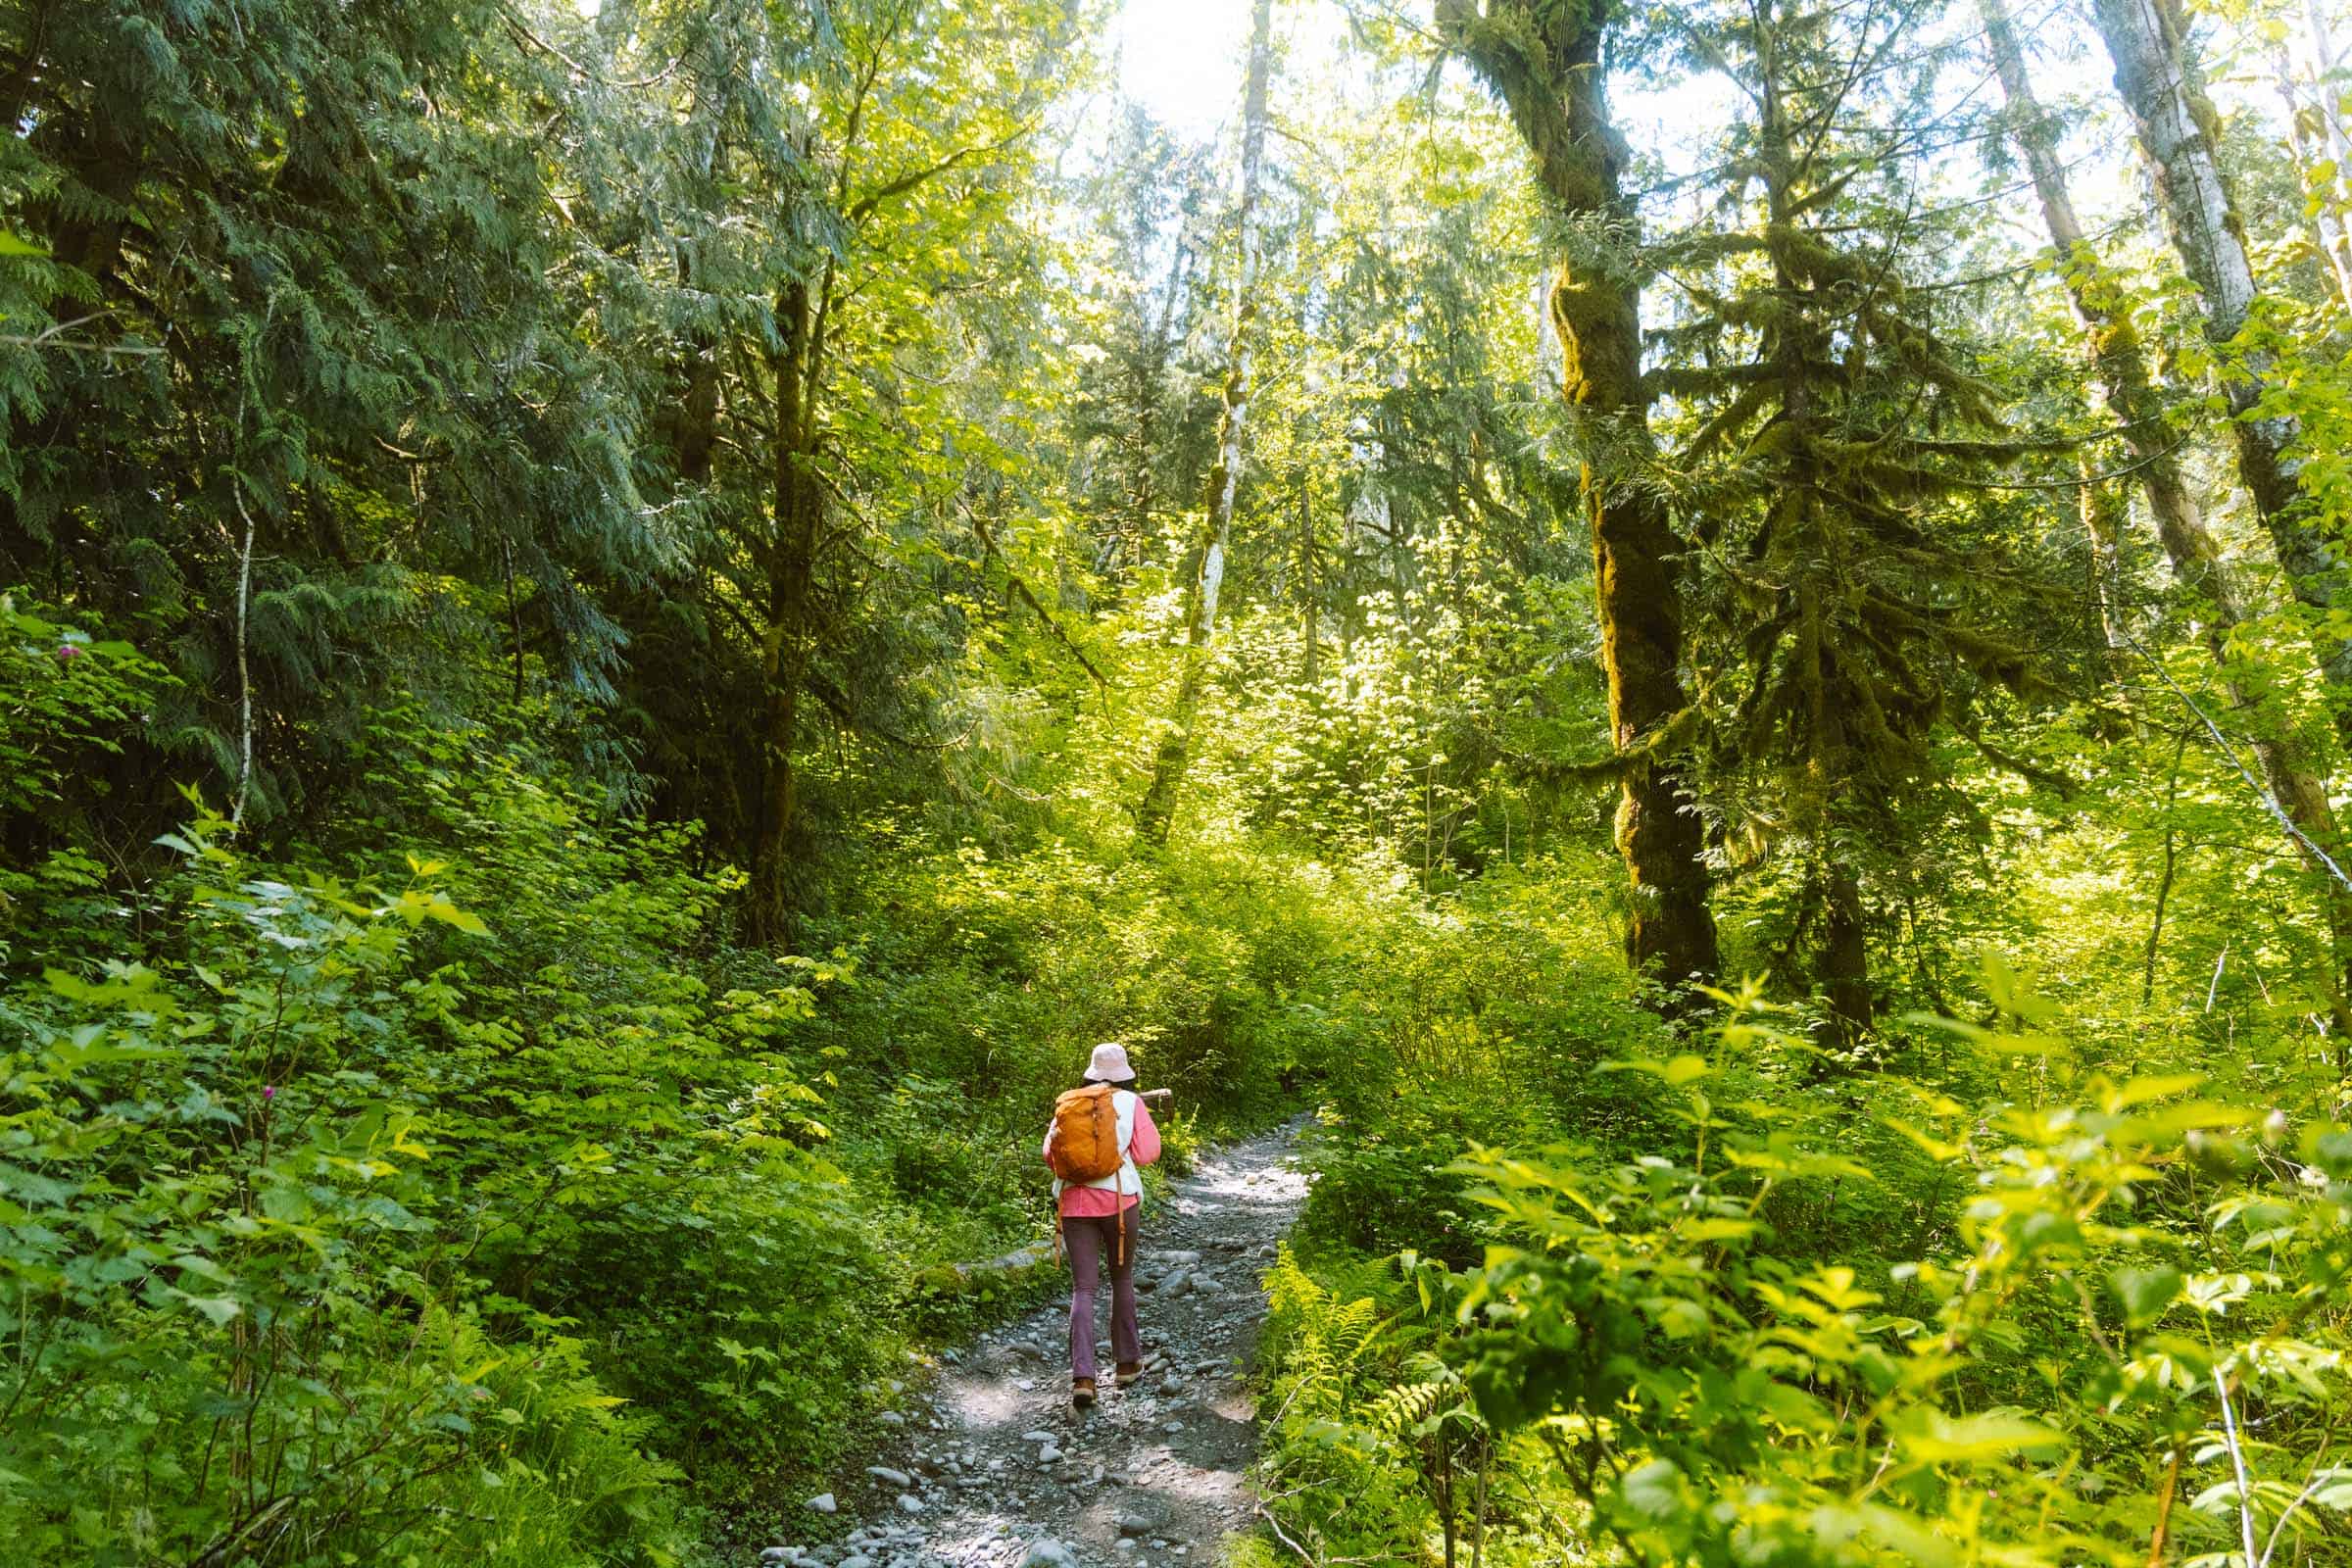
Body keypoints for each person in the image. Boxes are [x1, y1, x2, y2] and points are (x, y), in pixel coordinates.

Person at [1041, 1042, 1161, 1406]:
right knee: (1122, 1278)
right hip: (1120, 1202)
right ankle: (1126, 1364)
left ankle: (1083, 1378)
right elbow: (1148, 1153)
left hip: (1075, 1205)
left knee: (1083, 1289)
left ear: (1092, 1071)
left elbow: (1050, 1155)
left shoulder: (1069, 1102)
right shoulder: (1131, 1102)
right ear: (1123, 1073)